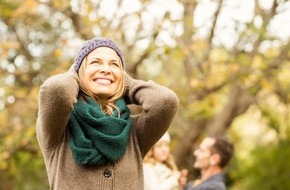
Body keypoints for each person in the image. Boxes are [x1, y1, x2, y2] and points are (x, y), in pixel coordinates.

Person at [36, 37, 179, 190]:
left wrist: (126, 85)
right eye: (95, 62)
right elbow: (57, 90)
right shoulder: (58, 127)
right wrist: (75, 71)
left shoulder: (135, 133)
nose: (106, 69)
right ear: (79, 72)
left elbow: (166, 101)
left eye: (114, 64)